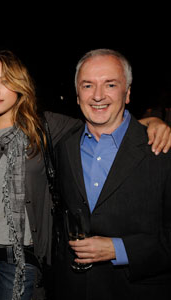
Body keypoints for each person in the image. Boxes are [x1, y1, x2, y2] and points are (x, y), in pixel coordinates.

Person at [0, 49, 171, 300]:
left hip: (25, 260)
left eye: (5, 81)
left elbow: (105, 121)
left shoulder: (46, 128)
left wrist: (150, 122)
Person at [53, 49, 171, 300]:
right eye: (87, 85)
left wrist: (119, 249)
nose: (97, 95)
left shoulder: (161, 150)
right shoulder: (63, 148)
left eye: (110, 84)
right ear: (77, 95)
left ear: (127, 93)